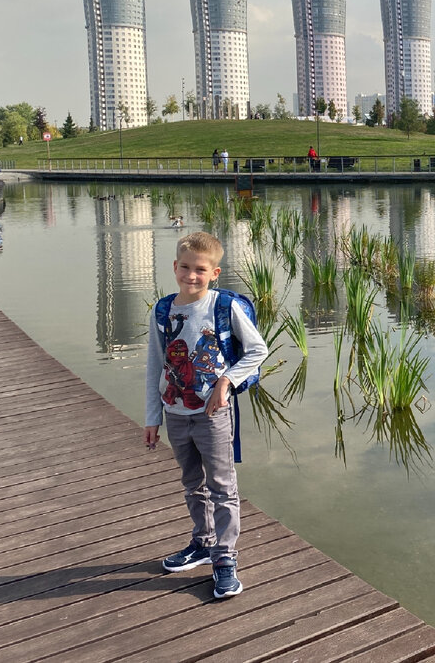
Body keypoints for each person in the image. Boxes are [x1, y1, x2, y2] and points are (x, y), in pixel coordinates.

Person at [145, 232, 266, 600]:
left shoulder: (224, 307)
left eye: (200, 270)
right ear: (175, 267)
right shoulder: (163, 311)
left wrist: (226, 381)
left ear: (214, 273)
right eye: (185, 268)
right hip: (176, 411)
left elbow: (257, 350)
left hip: (213, 415)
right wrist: (153, 417)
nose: (191, 276)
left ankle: (225, 559)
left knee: (223, 487)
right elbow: (155, 365)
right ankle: (202, 541)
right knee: (191, 482)